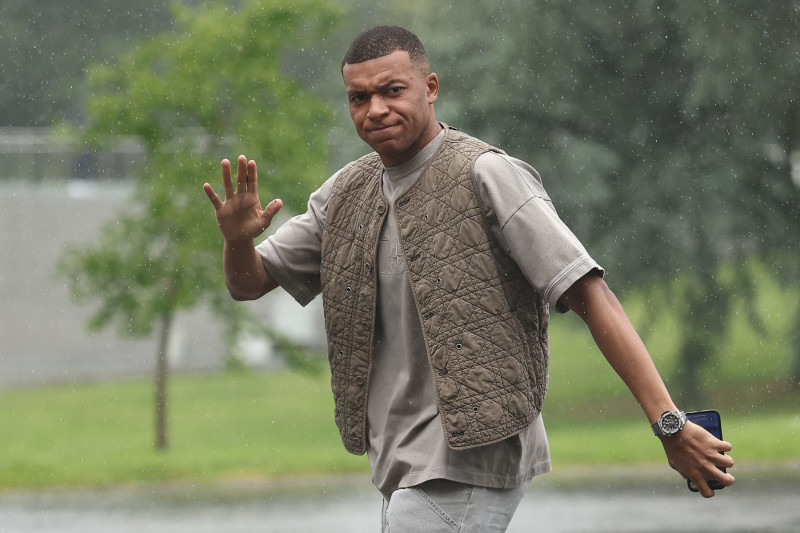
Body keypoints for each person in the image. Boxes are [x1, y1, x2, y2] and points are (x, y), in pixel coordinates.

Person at [203, 25, 734, 532]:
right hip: (399, 467)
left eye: (392, 91)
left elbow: (591, 294)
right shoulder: (345, 194)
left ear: (430, 88)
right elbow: (248, 282)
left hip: (474, 452)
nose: (375, 109)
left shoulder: (487, 174)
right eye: (358, 98)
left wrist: (668, 423)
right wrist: (236, 239)